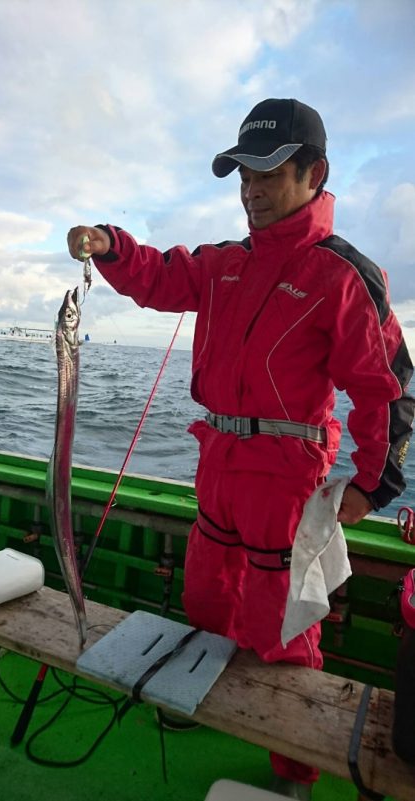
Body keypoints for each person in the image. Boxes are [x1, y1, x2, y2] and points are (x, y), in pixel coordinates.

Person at [67, 98, 414, 800]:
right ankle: (196, 696)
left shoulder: (346, 276)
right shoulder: (224, 262)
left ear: (313, 172)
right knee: (206, 594)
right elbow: (161, 274)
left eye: (266, 172)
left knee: (281, 626)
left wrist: (371, 484)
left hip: (286, 480)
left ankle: (292, 772)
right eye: (241, 176)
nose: (250, 190)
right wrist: (110, 244)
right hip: (216, 463)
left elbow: (389, 390)